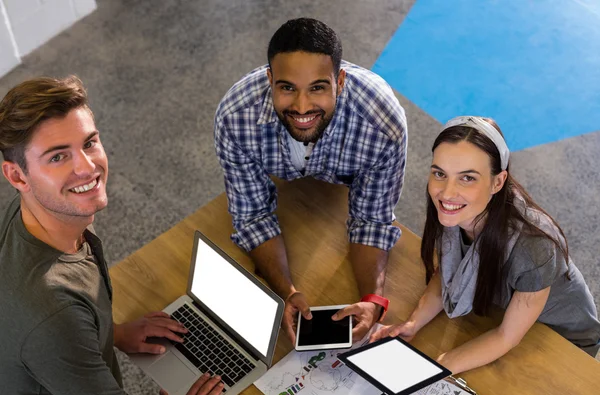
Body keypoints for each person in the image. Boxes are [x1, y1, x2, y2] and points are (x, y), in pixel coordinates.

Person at [0, 76, 222, 395]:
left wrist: (109, 333)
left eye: (89, 143)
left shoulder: (35, 213)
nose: (88, 168)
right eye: (58, 157)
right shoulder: (53, 314)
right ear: (17, 175)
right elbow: (53, 326)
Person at [214, 17, 408, 343]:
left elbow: (372, 219)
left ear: (341, 81)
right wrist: (287, 293)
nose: (302, 107)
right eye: (287, 88)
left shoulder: (383, 122)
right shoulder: (235, 118)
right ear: (269, 80)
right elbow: (252, 216)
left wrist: (372, 300)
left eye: (317, 87)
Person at [370, 116, 600, 373]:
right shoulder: (456, 213)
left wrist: (433, 370)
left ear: (498, 182)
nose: (446, 193)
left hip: (559, 338)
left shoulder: (535, 248)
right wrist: (414, 322)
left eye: (467, 178)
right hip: (503, 312)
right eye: (439, 173)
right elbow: (447, 273)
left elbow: (506, 338)